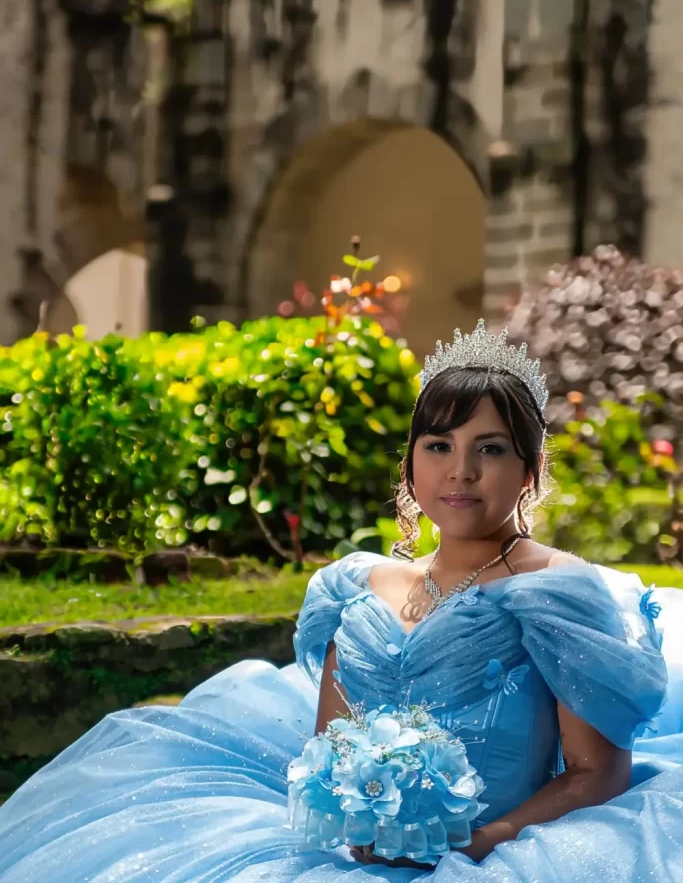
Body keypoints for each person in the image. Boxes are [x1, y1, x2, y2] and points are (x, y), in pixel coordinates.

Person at [1, 320, 683, 883]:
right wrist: (348, 822)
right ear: (411, 465)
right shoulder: (351, 587)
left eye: (491, 449)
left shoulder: (552, 593)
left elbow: (597, 773)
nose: (460, 470)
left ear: (529, 471)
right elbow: (328, 749)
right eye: (438, 445)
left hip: (501, 851)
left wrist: (478, 841)